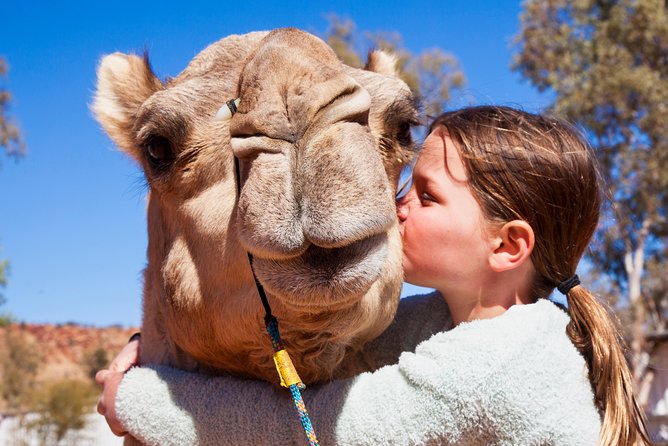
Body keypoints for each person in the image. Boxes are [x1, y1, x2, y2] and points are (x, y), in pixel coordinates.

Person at [96, 106, 650, 445]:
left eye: (426, 196)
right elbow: (314, 344)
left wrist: (135, 399)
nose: (395, 202)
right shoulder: (449, 323)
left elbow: (302, 431)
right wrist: (149, 344)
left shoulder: (498, 360)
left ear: (507, 246)